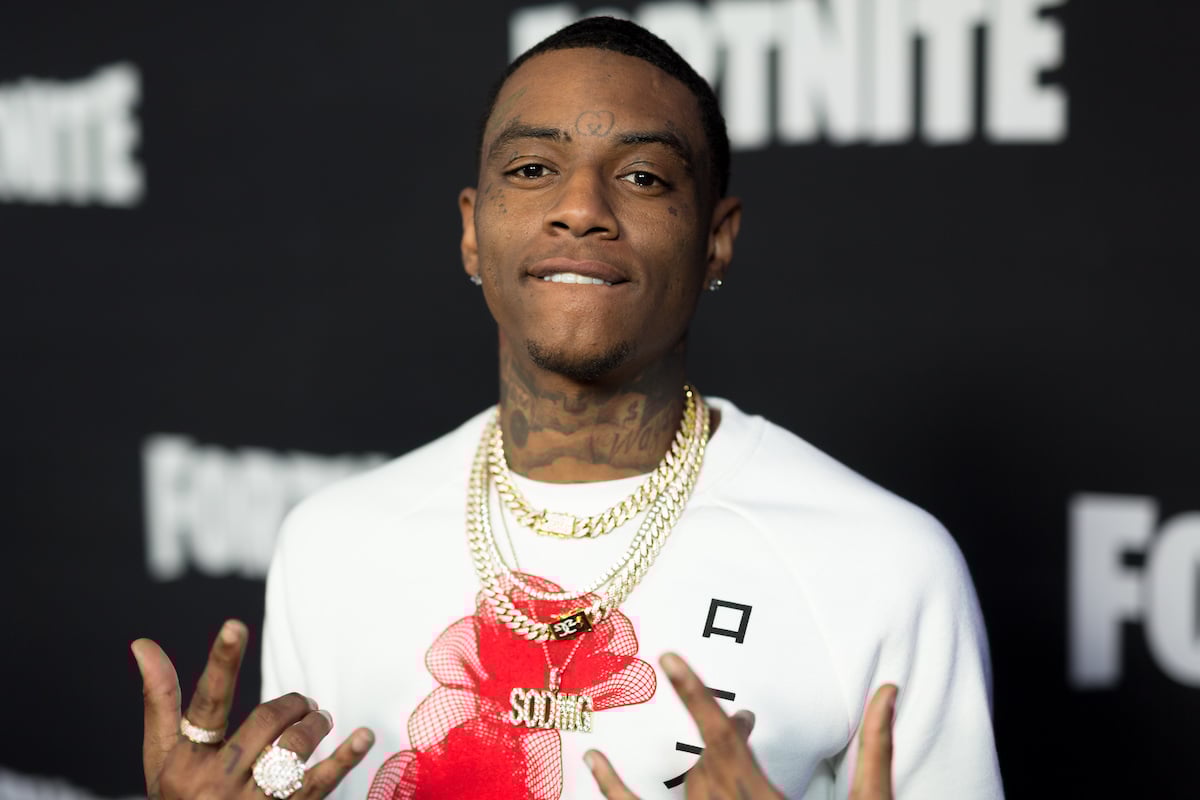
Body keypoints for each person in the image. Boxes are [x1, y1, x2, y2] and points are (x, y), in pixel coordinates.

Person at [134, 16, 1002, 800]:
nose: (582, 209)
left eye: (643, 176)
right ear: (473, 230)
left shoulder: (883, 565)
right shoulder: (332, 545)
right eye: (532, 169)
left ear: (716, 239)